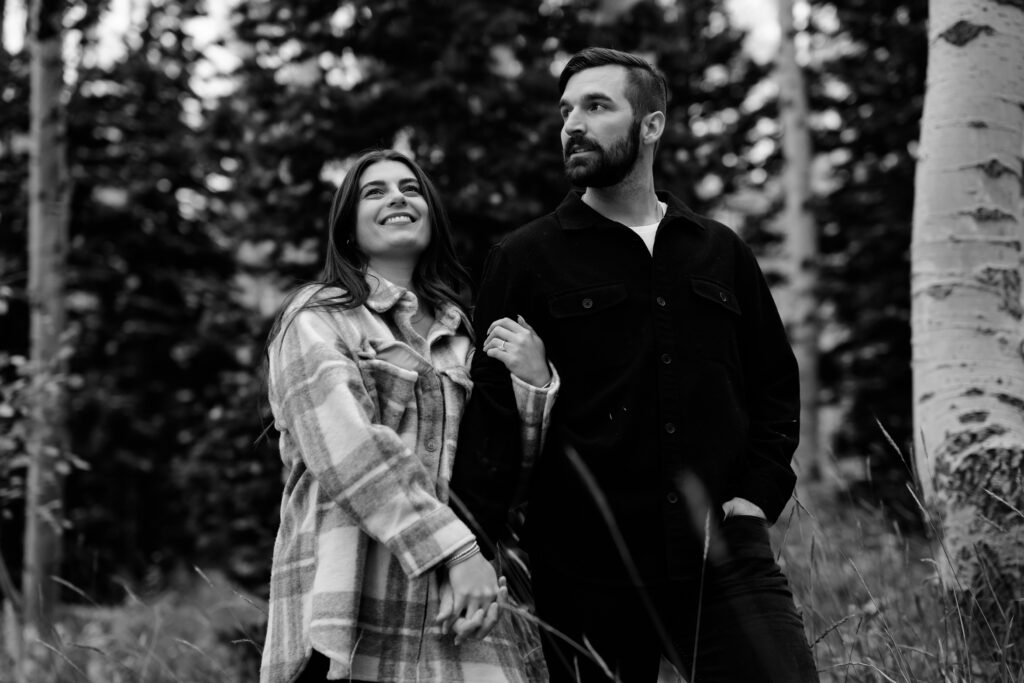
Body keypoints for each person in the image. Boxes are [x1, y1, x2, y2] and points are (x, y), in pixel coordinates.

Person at [451, 48, 820, 682]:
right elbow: (493, 421)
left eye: (597, 106)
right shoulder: (523, 258)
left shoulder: (720, 251)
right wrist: (469, 549)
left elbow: (774, 387)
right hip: (585, 570)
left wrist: (758, 498)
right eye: (566, 110)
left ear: (650, 126)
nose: (572, 124)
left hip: (722, 554)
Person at [260, 149, 556, 683]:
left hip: (464, 612)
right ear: (348, 229)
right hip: (354, 605)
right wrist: (456, 547)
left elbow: (506, 475)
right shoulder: (318, 319)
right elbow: (348, 447)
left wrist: (532, 384)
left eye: (411, 189)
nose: (398, 196)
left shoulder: (465, 336)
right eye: (375, 192)